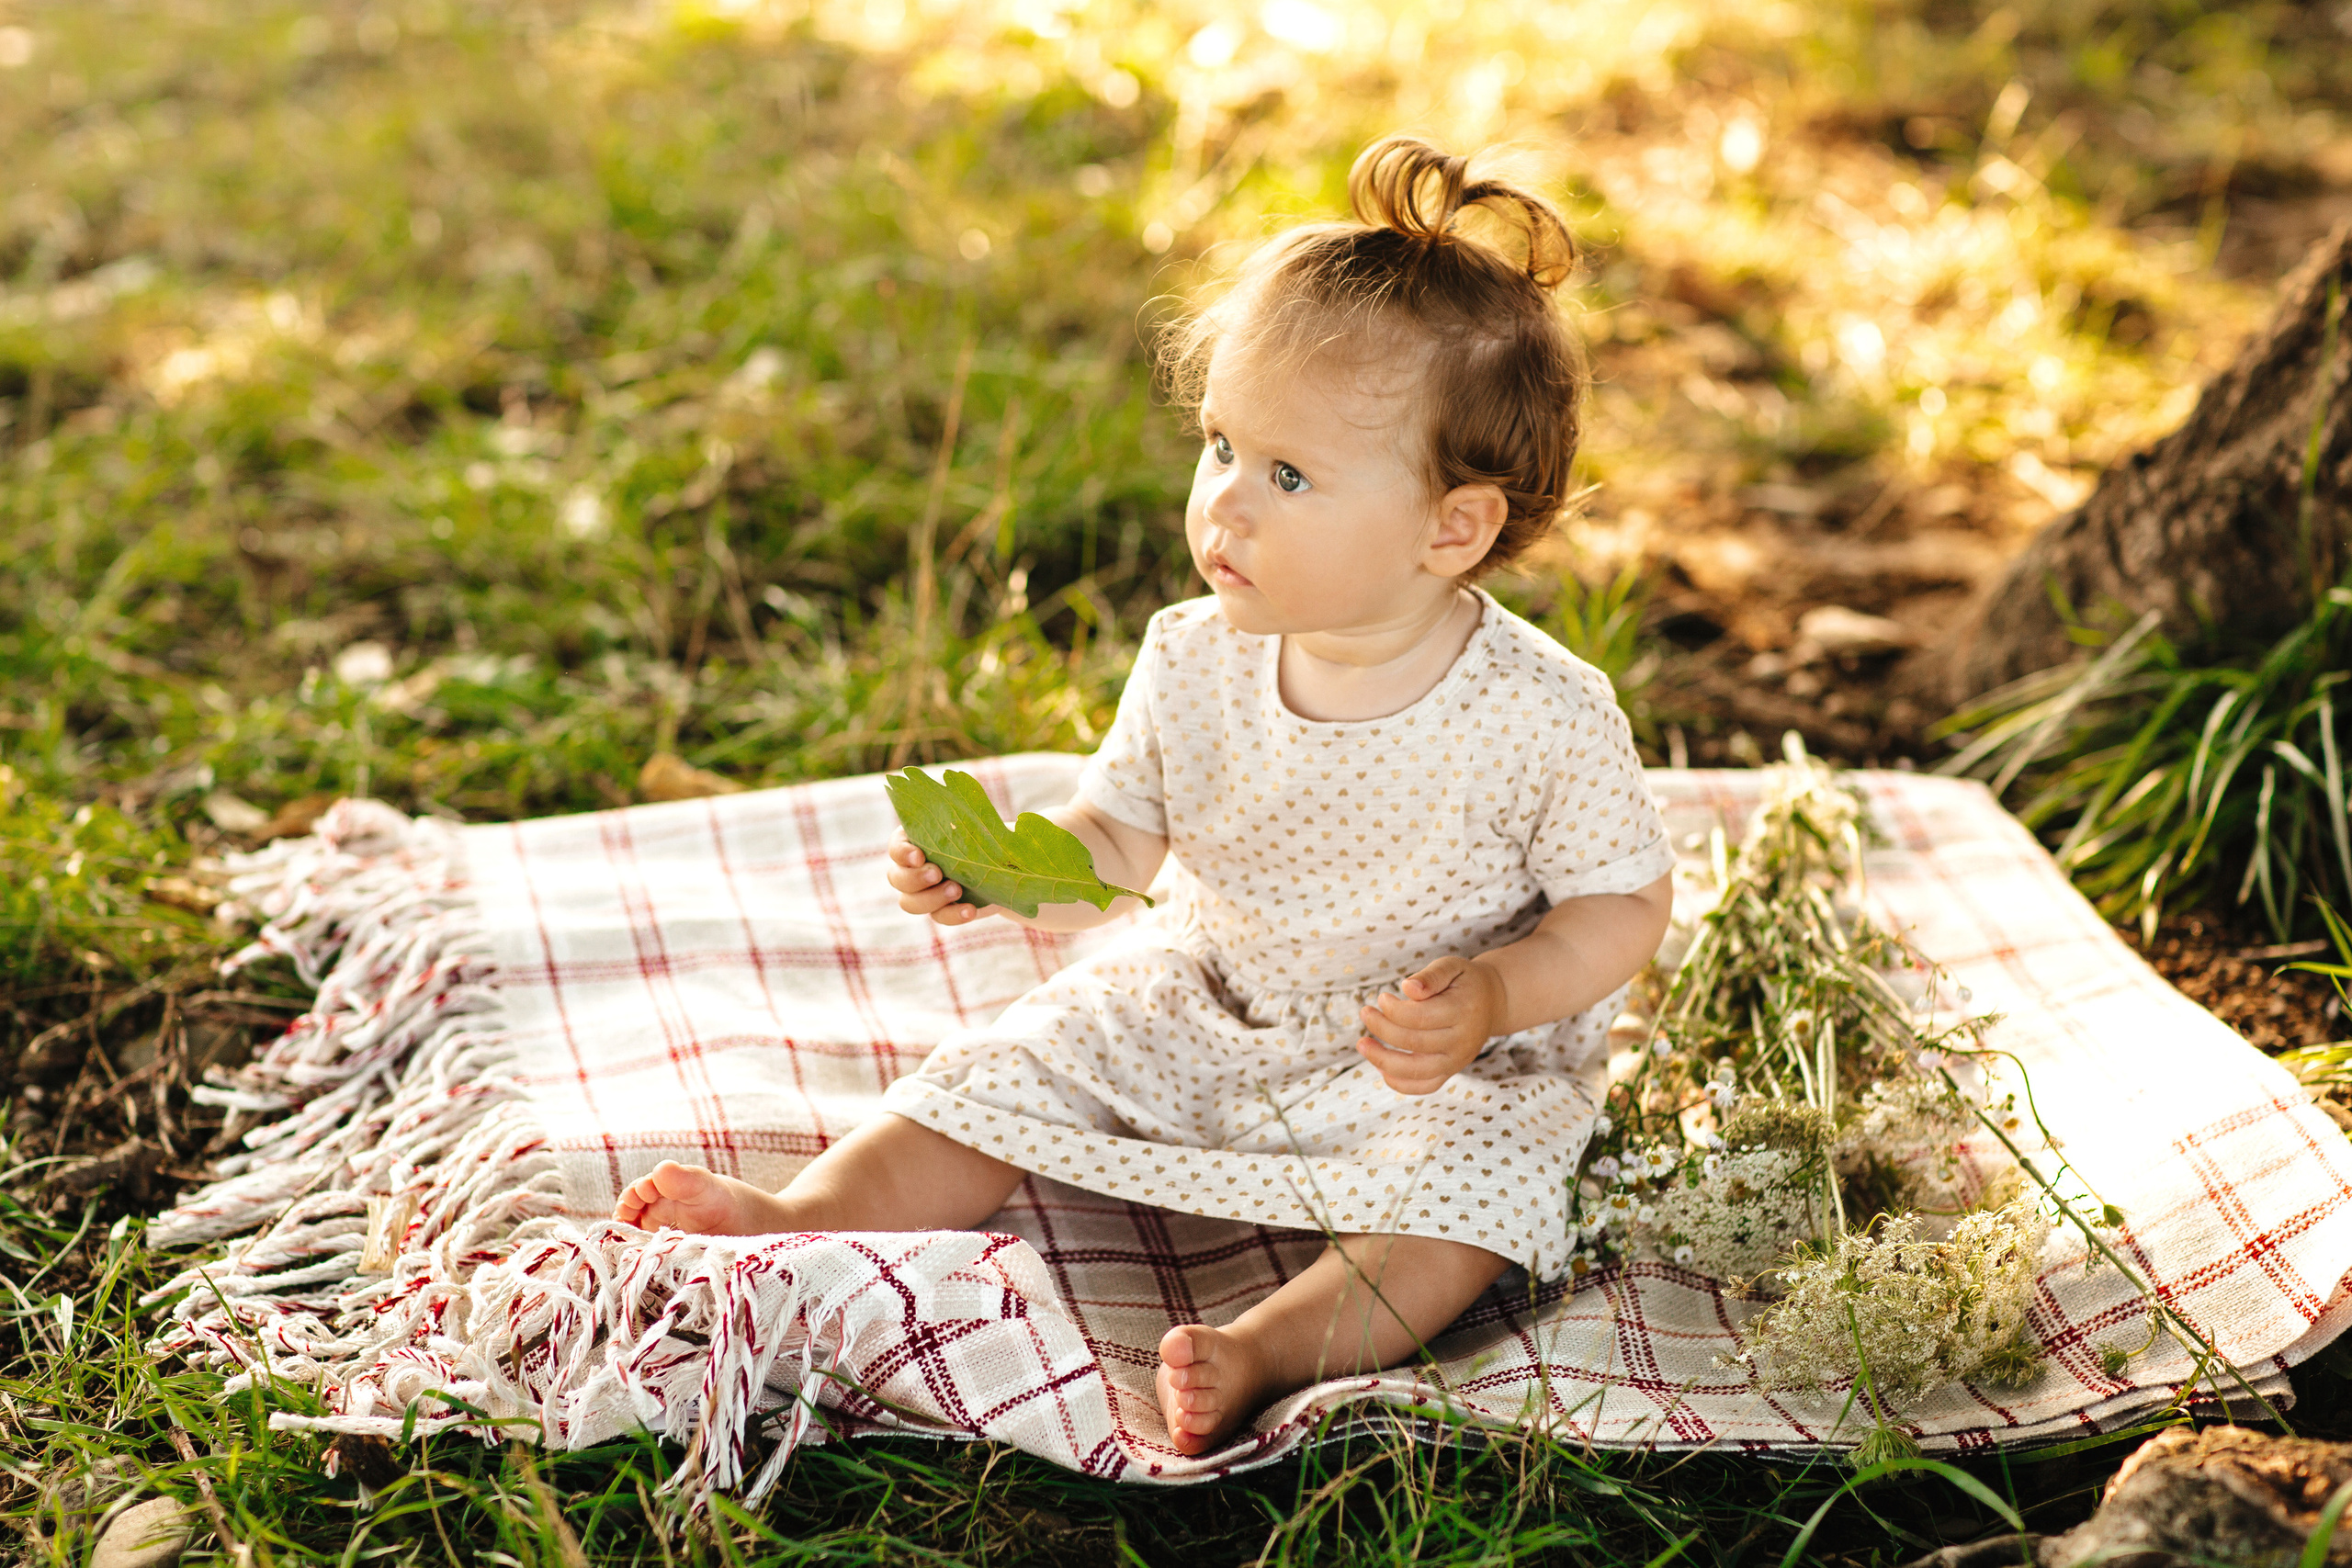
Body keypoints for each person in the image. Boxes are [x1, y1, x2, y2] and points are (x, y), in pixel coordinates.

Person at [614, 135, 1676, 1456]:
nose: (1223, 502)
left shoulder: (1541, 711)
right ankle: (808, 1211)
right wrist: (1019, 872)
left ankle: (1264, 1350)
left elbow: (1624, 904)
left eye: (1285, 476)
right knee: (1014, 1059)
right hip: (1212, 994)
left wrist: (1501, 997)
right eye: (1220, 445)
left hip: (1433, 1057)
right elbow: (1118, 839)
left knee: (1478, 1202)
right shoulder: (1196, 653)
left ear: (1449, 529)